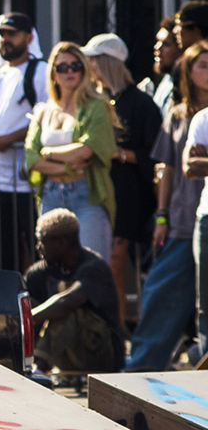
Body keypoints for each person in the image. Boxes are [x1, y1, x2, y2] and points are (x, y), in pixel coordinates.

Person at [126, 40, 208, 370]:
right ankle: (140, 371)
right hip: (182, 219)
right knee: (162, 296)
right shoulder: (178, 115)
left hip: (202, 218)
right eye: (202, 64)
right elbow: (170, 168)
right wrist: (161, 215)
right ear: (187, 72)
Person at [25, 40, 117, 272]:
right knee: (54, 272)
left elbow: (88, 150)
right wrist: (67, 167)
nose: (69, 72)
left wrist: (50, 153)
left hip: (87, 196)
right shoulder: (43, 111)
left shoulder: (96, 105)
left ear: (84, 70)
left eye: (76, 66)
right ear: (53, 73)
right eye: (62, 67)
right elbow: (31, 160)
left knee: (92, 271)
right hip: (51, 196)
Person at [84, 33, 161, 303]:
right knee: (100, 266)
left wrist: (120, 154)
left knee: (112, 266)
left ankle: (118, 337)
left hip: (130, 196)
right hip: (101, 192)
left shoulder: (141, 103)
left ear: (105, 63)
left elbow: (157, 154)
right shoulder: (94, 102)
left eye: (92, 61)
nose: (87, 67)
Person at [0, 12, 43, 273]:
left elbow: (48, 118)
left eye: (11, 34)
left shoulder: (41, 72)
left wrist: (11, 139)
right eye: (1, 34)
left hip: (28, 184)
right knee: (0, 255)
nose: (5, 40)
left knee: (40, 254)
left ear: (29, 37)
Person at [25, 208, 126, 377]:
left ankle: (40, 368)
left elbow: (68, 302)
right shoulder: (39, 273)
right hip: (69, 354)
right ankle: (24, 365)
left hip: (102, 355)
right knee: (28, 305)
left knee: (65, 310)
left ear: (62, 242)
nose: (38, 248)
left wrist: (26, 317)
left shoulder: (94, 267)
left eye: (42, 242)